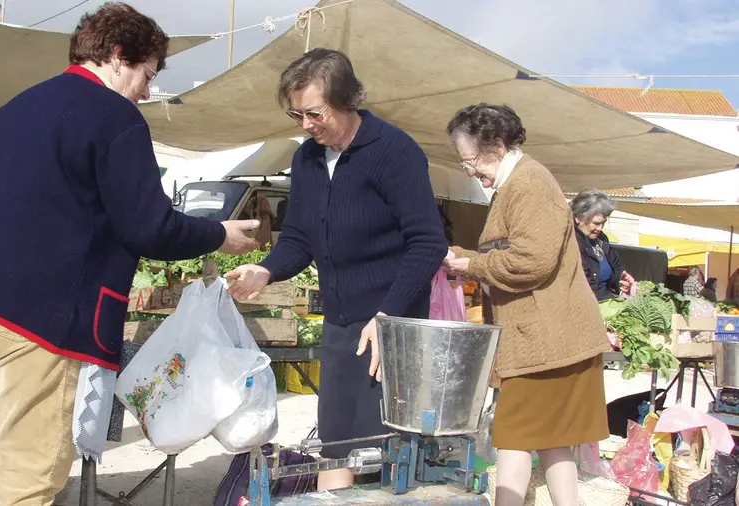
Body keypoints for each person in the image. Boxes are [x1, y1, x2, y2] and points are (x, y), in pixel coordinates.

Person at [0, 4, 259, 505]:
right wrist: (218, 234)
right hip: (35, 318)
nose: (147, 91)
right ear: (118, 55)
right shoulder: (114, 116)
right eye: (146, 74)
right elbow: (150, 226)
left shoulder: (13, 108)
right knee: (28, 474)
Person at [224, 48, 448, 491]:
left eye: (314, 113)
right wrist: (265, 271)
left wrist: (388, 318)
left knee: (378, 451)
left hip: (389, 326)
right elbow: (300, 239)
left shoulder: (393, 151)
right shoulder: (307, 159)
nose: (306, 125)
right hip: (342, 324)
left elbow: (428, 243)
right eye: (296, 114)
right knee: (335, 443)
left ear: (346, 99)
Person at [442, 104, 609, 506]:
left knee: (513, 436)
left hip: (546, 344)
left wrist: (470, 263)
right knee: (554, 442)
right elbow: (516, 250)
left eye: (471, 161)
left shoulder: (529, 182)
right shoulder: (518, 181)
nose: (470, 172)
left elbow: (532, 261)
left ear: (497, 145)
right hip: (555, 340)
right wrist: (461, 256)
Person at [570, 189, 634, 301]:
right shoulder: (572, 243)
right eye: (596, 223)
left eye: (603, 223)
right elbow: (586, 284)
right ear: (579, 218)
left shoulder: (601, 239)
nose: (600, 228)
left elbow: (616, 265)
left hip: (607, 300)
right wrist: (615, 302)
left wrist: (621, 280)